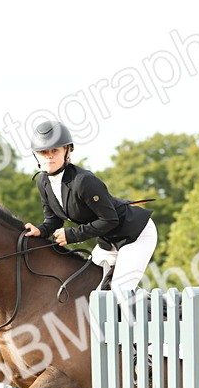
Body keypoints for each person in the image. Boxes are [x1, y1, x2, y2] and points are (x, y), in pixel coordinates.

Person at [22, 120, 157, 295]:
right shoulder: (43, 182)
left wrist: (72, 235)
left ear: (67, 151)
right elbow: (54, 220)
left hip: (136, 233)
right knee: (87, 286)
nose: (49, 156)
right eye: (43, 151)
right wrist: (40, 231)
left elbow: (110, 219)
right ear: (36, 155)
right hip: (109, 241)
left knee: (120, 290)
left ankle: (152, 316)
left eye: (54, 150)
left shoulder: (83, 181)